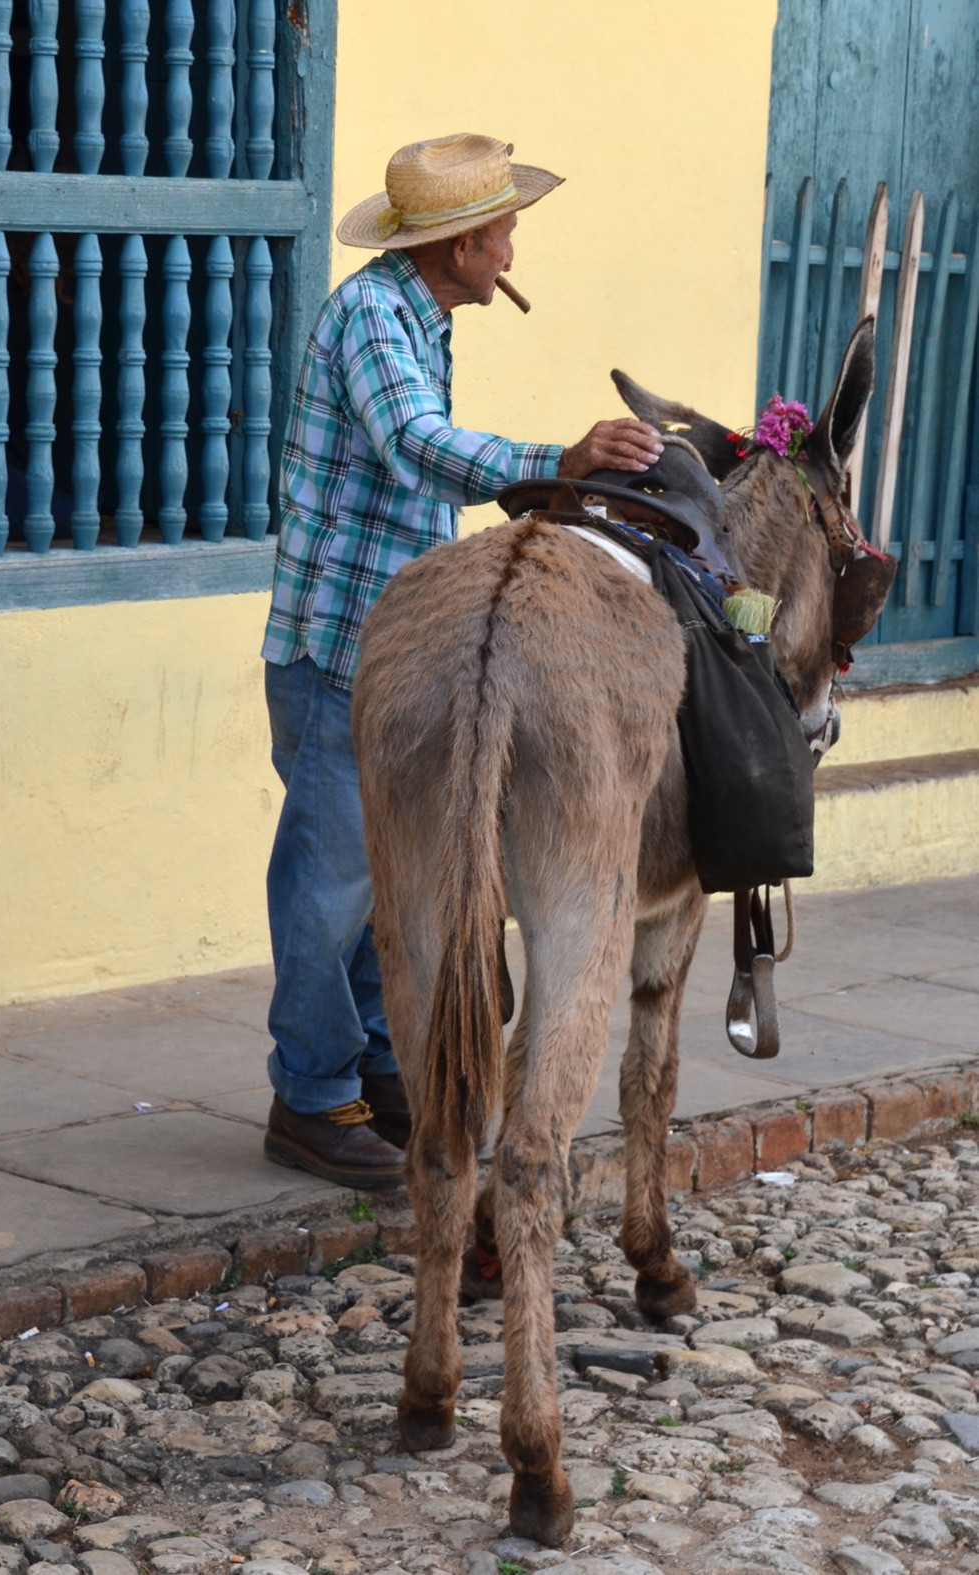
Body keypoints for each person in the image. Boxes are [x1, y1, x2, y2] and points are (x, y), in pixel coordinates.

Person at [260, 132, 664, 1188]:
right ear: (464, 245)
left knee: (391, 875)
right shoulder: (371, 316)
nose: (514, 252)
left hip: (392, 655)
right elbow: (417, 445)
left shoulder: (420, 316)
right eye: (506, 233)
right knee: (329, 886)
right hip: (338, 648)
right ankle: (309, 1097)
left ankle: (378, 1069)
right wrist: (552, 463)